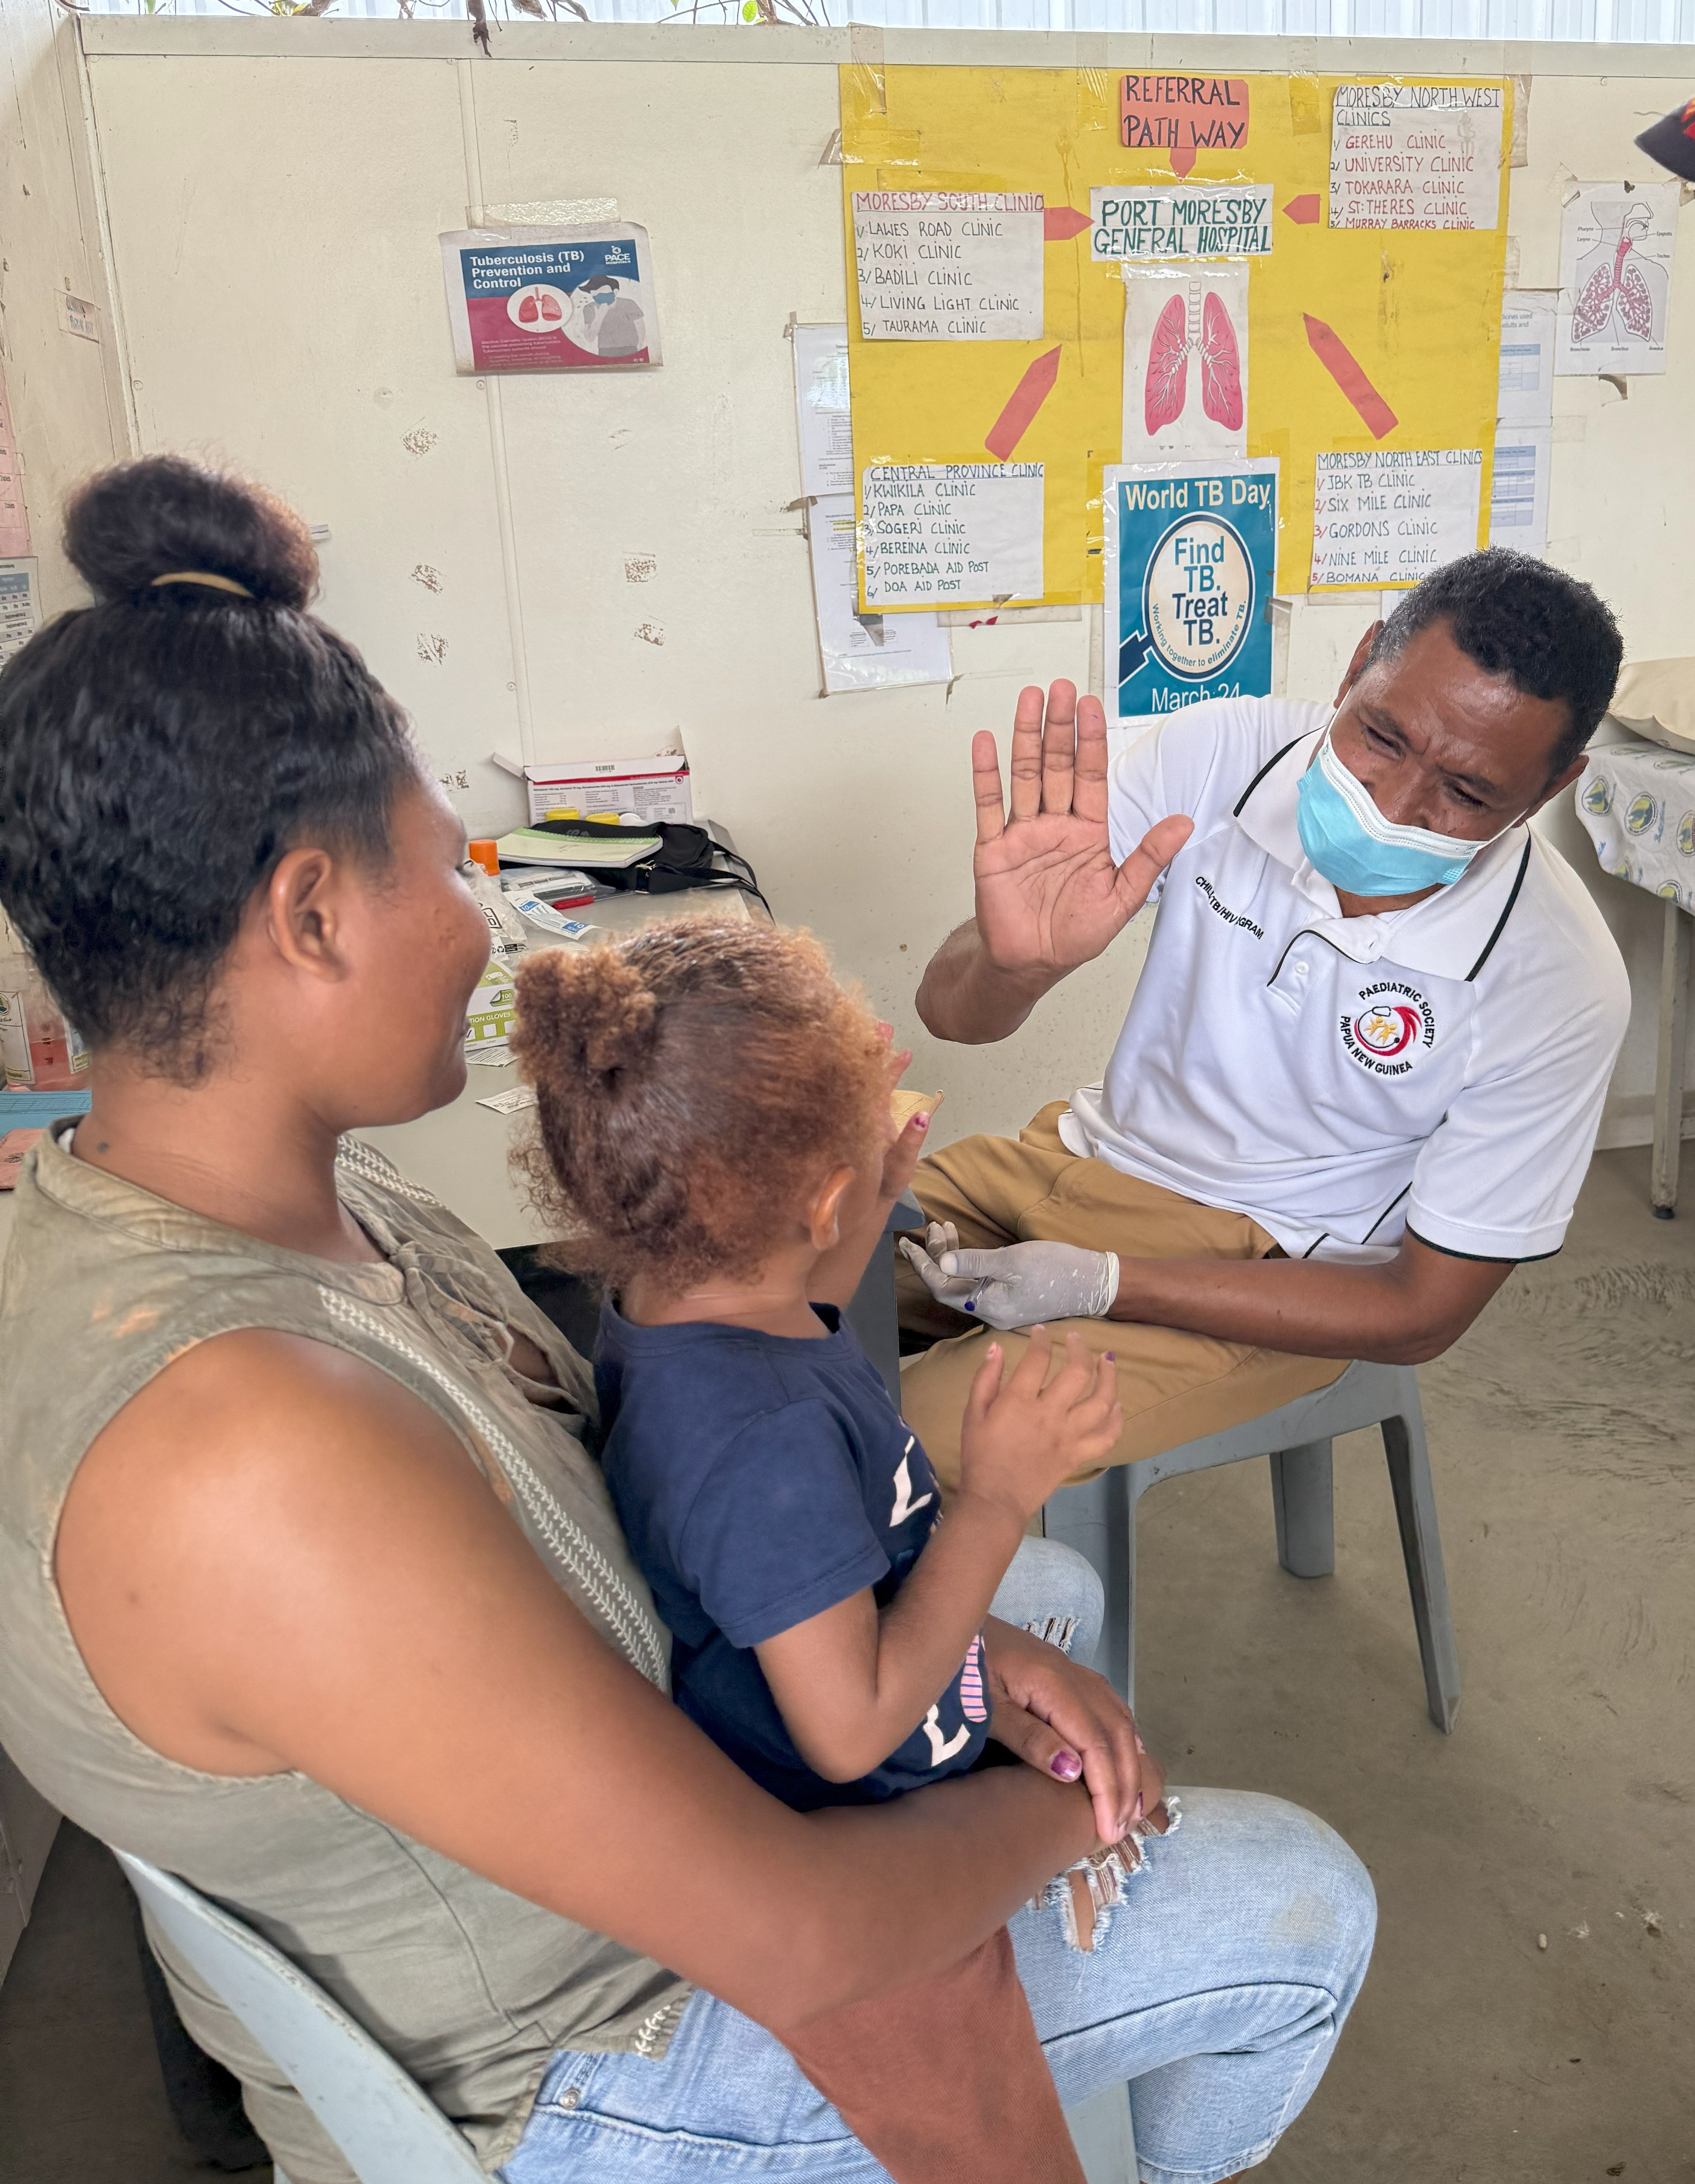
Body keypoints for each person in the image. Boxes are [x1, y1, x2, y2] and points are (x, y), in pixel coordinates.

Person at [0, 454, 1375, 2184]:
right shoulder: (241, 1448)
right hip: (582, 2061)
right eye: (446, 865)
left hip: (629, 1811)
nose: (488, 914)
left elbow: (638, 1498)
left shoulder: (287, 1209)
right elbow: (799, 1934)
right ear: (310, 910)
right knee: (1306, 1898)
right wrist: (1055, 1808)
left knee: (1048, 1601)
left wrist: (982, 1659)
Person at [896, 551, 1631, 1489]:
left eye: (1465, 792)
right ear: (1359, 661)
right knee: (741, 1257)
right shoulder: (1216, 755)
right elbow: (947, 1015)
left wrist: (1106, 1281)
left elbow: (1421, 1315)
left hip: (1275, 1270)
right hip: (1073, 1160)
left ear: (1551, 787)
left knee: (893, 1444)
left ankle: (985, 1629)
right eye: (1381, 736)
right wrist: (1012, 967)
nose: (1390, 806)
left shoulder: (1555, 983)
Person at [511, 925, 1164, 1928]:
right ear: (816, 1200)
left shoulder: (672, 1296)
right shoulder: (762, 1451)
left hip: (845, 1662)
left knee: (1065, 1608)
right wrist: (996, 1500)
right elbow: (851, 1730)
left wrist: (873, 1195)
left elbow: (802, 1308)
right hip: (864, 1805)